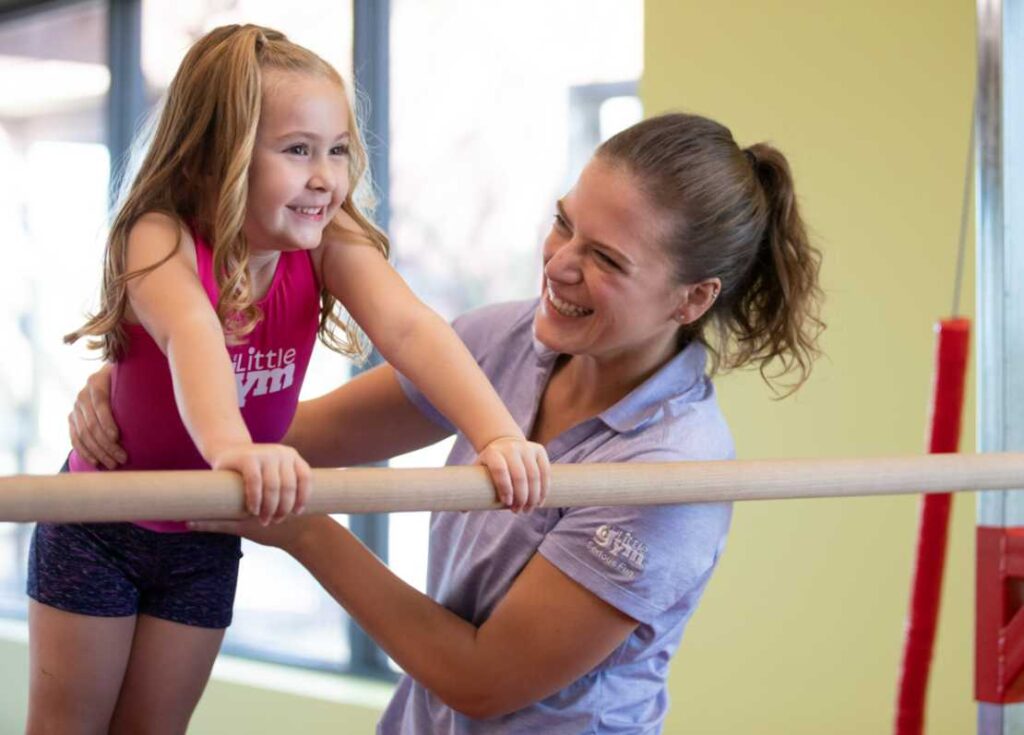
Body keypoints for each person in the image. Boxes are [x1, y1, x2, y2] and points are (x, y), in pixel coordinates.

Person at [70, 112, 824, 733]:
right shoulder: (507, 341)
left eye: (605, 258)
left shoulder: (671, 469)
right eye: (563, 225)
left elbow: (483, 679)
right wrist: (146, 397)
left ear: (693, 299)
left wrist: (303, 529)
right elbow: (284, 435)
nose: (559, 265)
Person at [33, 24, 549, 735]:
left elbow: (409, 328)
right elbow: (191, 331)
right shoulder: (160, 235)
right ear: (217, 158)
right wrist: (234, 448)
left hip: (204, 535)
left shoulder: (330, 241)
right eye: (298, 150)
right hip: (100, 525)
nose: (326, 177)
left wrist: (497, 435)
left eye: (338, 150)